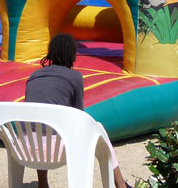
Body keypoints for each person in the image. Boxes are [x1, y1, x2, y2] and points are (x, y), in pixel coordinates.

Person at [24, 33, 129, 188]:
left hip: (25, 149)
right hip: (53, 152)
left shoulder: (34, 76)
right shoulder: (74, 77)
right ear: (72, 55)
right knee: (98, 127)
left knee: (40, 127)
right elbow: (79, 116)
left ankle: (42, 182)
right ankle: (120, 183)